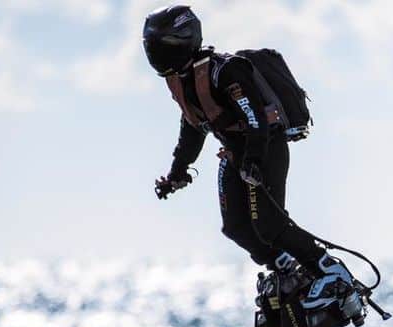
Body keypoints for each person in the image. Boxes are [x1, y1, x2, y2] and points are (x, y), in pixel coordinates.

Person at [143, 5, 353, 310]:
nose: (156, 56)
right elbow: (192, 127)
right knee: (236, 227)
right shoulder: (182, 80)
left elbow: (255, 118)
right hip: (235, 154)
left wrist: (253, 161)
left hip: (265, 146)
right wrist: (177, 172)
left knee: (270, 225)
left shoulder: (225, 71)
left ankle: (332, 272)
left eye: (161, 48)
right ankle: (288, 269)